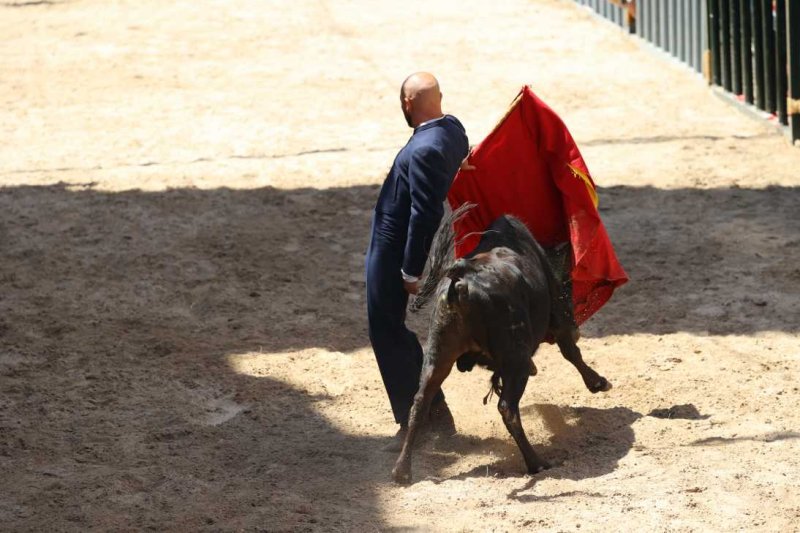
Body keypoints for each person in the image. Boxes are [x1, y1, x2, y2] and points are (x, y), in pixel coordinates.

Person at [365, 72, 469, 449]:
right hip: (395, 241)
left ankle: (422, 421)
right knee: (393, 329)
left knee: (386, 328)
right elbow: (461, 155)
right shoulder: (453, 129)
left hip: (394, 248)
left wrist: (412, 269)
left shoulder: (424, 148)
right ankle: (431, 415)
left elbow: (425, 214)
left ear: (407, 104)